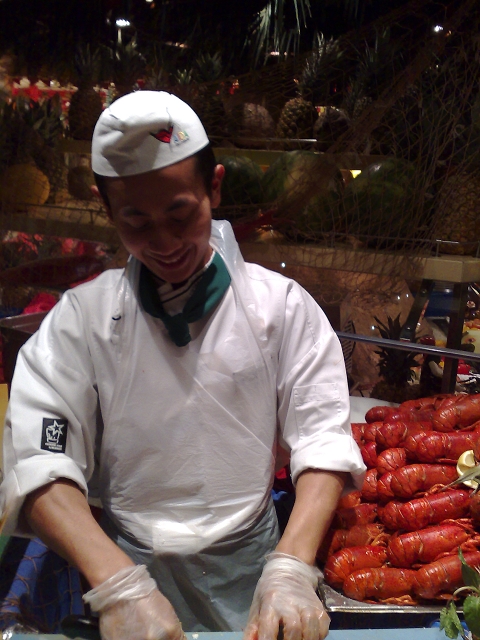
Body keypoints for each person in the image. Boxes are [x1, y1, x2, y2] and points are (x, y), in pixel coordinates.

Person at [0, 91, 365, 640]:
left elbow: (322, 439)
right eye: (137, 222)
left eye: (180, 214)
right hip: (122, 561)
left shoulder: (281, 307)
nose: (165, 242)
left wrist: (290, 569)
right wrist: (119, 586)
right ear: (107, 210)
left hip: (255, 564)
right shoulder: (81, 321)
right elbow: (39, 461)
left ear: (214, 187)